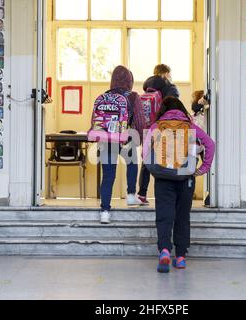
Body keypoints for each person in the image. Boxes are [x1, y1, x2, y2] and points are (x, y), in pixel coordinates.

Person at [143, 97, 215, 273]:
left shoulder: (156, 126)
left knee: (164, 215)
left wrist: (153, 167)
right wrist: (202, 169)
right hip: (186, 178)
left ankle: (165, 251)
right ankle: (181, 257)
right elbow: (210, 144)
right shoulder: (190, 127)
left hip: (163, 177)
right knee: (182, 216)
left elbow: (145, 152)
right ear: (181, 109)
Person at [97, 66, 145, 224]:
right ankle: (131, 196)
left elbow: (99, 121)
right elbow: (139, 121)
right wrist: (139, 138)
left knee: (108, 176)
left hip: (106, 139)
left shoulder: (105, 96)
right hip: (126, 137)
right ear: (129, 80)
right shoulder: (133, 96)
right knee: (132, 163)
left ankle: (105, 211)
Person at [137, 64, 180, 205]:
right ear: (166, 73)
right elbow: (174, 107)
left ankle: (142, 194)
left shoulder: (147, 88)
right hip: (164, 127)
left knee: (147, 160)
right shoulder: (170, 88)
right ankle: (164, 195)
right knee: (166, 160)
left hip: (148, 128)